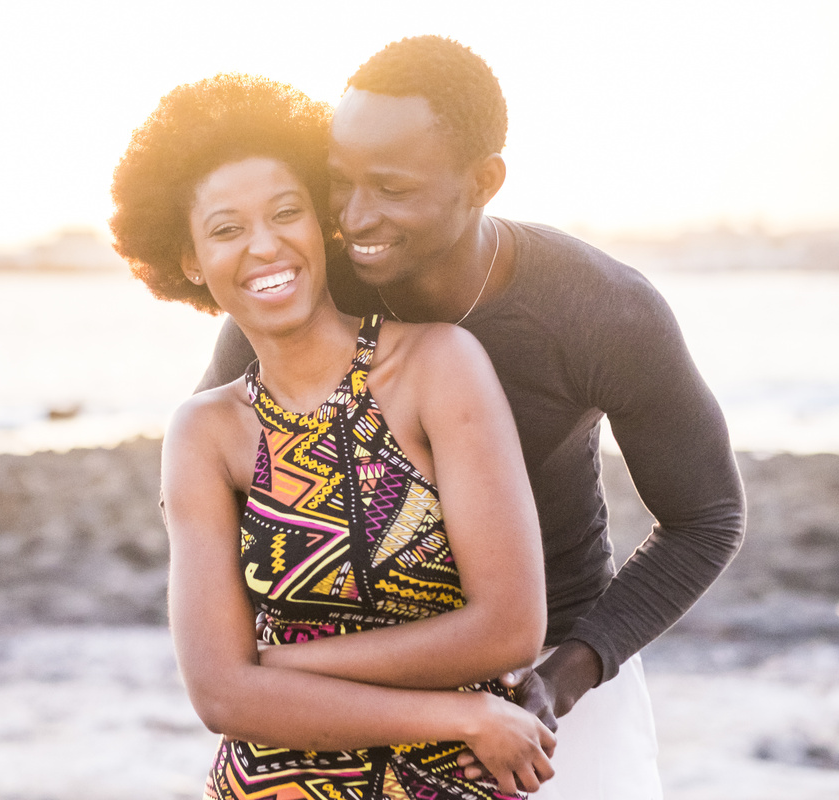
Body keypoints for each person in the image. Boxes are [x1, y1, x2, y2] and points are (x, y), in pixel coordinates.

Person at [196, 37, 747, 799]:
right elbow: (217, 473)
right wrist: (276, 662)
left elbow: (706, 517)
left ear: (483, 181)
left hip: (552, 679)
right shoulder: (308, 294)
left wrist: (571, 671)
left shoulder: (598, 309)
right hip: (349, 680)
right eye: (339, 181)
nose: (354, 216)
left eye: (390, 188)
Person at [111, 73, 556, 798]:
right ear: (191, 260)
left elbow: (508, 630)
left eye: (286, 212)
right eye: (226, 229)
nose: (263, 245)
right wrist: (457, 714)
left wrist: (284, 665)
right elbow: (221, 698)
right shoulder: (206, 433)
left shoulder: (435, 366)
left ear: (322, 223)